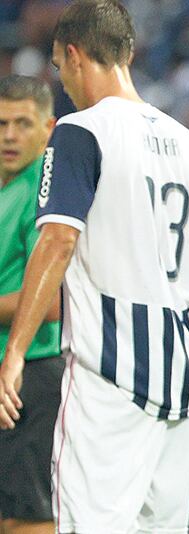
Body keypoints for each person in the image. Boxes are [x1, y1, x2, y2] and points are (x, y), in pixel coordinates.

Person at [0, 2, 189, 532]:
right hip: (178, 382)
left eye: (60, 69)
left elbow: (58, 240)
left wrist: (14, 354)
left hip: (108, 378)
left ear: (74, 56)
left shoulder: (83, 131)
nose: (63, 82)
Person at [0, 75, 59, 534]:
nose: (10, 135)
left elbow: (54, 300)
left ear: (48, 129)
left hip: (32, 373)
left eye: (23, 123)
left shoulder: (46, 193)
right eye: (2, 123)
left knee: (29, 516)